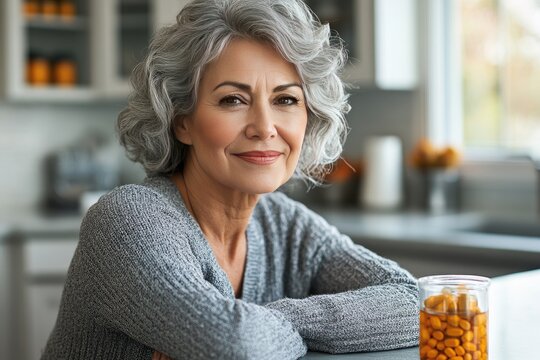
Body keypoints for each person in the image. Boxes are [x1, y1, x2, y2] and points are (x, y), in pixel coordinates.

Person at [42, 0, 418, 359]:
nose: (265, 128)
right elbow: (238, 346)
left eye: (286, 100)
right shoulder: (126, 221)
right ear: (181, 121)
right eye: (233, 100)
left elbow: (413, 301)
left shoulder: (286, 224)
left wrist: (274, 320)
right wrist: (238, 333)